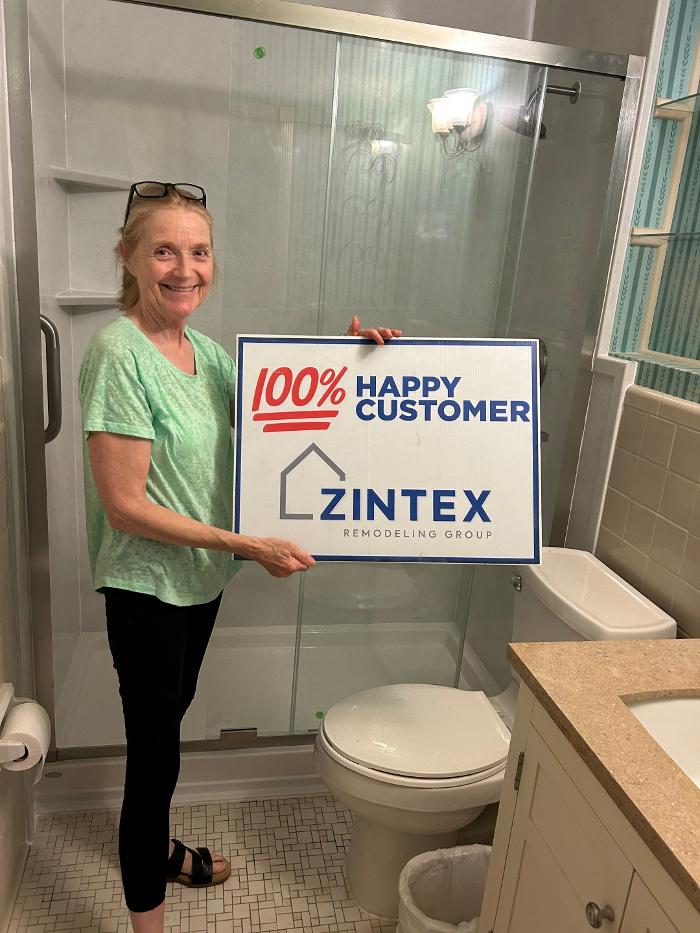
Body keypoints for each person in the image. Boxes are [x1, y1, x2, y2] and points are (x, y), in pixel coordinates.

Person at [78, 181, 402, 933]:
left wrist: (357, 360)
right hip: (147, 590)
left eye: (198, 252)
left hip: (197, 582)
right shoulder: (119, 353)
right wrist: (246, 544)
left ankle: (156, 848)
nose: (184, 268)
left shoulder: (203, 352)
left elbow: (281, 408)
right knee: (154, 759)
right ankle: (148, 912)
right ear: (128, 256)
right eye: (164, 251)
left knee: (167, 728)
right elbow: (125, 506)